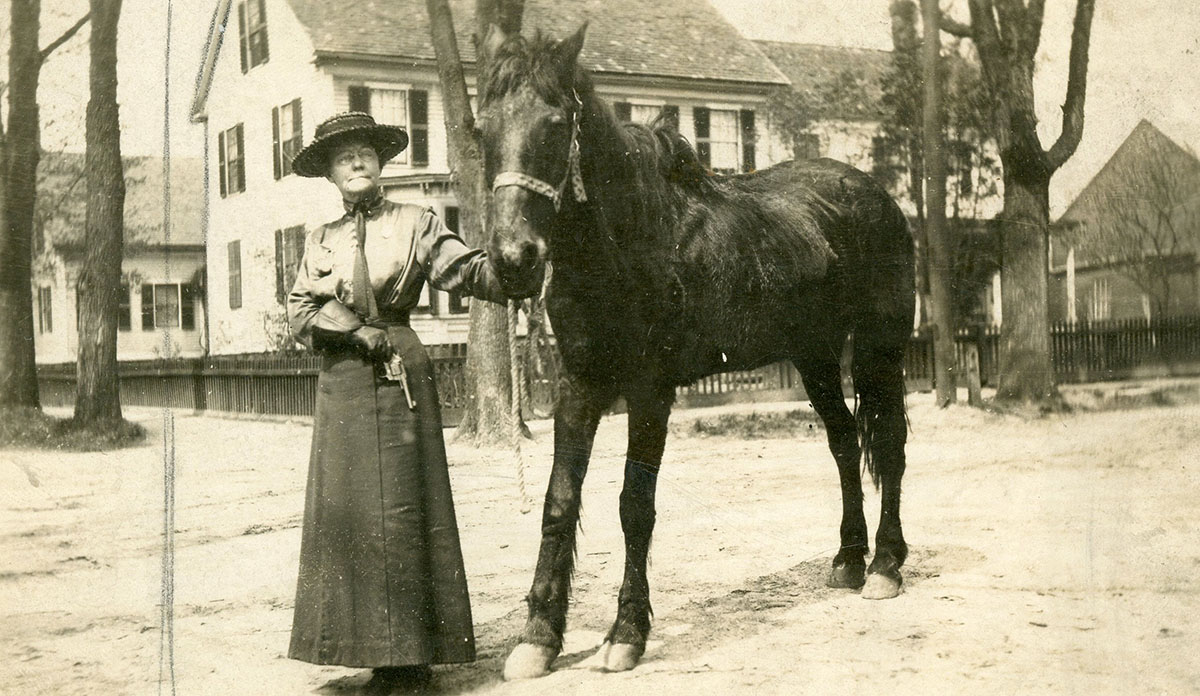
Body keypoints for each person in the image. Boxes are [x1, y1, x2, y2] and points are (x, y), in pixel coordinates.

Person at [285, 112, 515, 693]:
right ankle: (360, 647)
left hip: (398, 371)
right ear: (332, 175)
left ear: (380, 162)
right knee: (352, 512)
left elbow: (464, 269)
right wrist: (351, 330)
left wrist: (511, 269)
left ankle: (411, 656)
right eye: (343, 158)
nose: (356, 163)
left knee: (404, 510)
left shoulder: (416, 222)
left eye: (364, 152)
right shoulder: (321, 240)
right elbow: (299, 312)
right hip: (341, 379)